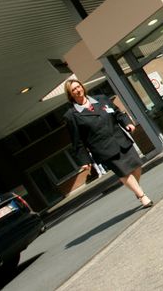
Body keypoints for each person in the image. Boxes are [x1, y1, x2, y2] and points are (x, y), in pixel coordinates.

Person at [63, 79, 153, 208]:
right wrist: (84, 160)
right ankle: (142, 196)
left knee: (137, 165)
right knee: (124, 172)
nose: (78, 90)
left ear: (82, 87)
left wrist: (127, 123)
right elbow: (77, 140)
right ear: (70, 94)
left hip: (120, 140)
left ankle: (136, 189)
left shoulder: (102, 99)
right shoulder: (71, 115)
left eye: (78, 87)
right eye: (73, 90)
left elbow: (118, 113)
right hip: (103, 149)